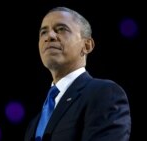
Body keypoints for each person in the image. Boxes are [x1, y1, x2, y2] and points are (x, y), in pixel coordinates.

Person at [24, 7, 131, 141]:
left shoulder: (104, 93)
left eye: (61, 29)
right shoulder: (34, 123)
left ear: (87, 46)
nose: (49, 36)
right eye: (43, 32)